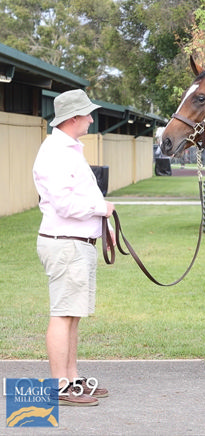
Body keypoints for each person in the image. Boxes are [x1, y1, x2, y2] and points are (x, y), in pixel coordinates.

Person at [33, 89, 114, 406]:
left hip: (75, 244)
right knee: (63, 314)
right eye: (87, 114)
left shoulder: (68, 149)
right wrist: (100, 209)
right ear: (72, 119)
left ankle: (72, 378)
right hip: (66, 244)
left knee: (73, 314)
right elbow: (65, 204)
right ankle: (59, 386)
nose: (91, 119)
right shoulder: (57, 152)